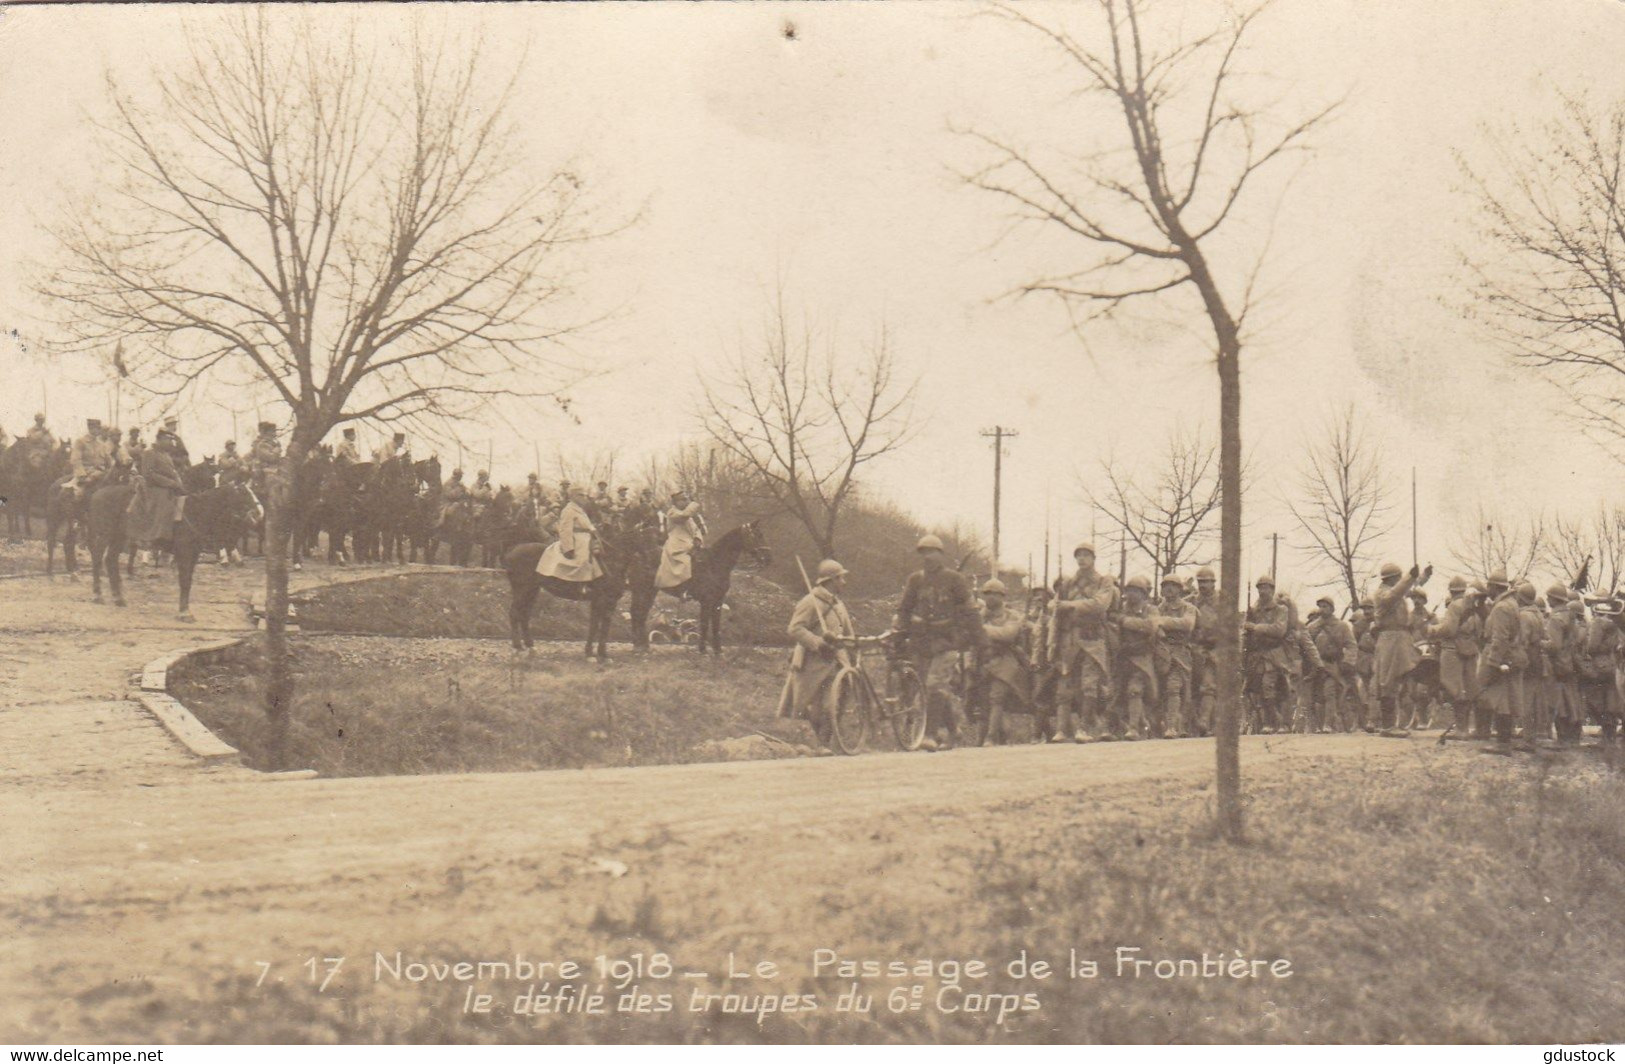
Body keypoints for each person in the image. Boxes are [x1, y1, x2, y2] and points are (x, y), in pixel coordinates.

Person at [896, 534, 984, 750]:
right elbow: (905, 608)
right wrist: (900, 632)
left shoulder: (954, 579)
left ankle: (930, 735)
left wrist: (979, 638)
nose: (928, 556)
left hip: (948, 641)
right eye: (924, 552)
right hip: (922, 642)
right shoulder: (915, 580)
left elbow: (970, 610)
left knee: (935, 684)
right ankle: (954, 730)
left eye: (932, 551)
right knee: (931, 689)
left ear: (940, 554)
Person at [780, 559, 858, 739]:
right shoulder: (809, 602)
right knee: (810, 707)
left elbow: (848, 635)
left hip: (837, 663)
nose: (844, 583)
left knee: (832, 705)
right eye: (841, 578)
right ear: (831, 580)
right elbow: (795, 628)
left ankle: (824, 745)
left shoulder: (839, 605)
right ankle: (815, 745)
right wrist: (818, 643)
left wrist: (854, 651)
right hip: (812, 664)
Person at [1049, 542, 1117, 743]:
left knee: (1090, 684)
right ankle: (1062, 730)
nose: (1082, 559)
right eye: (1079, 555)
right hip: (1069, 639)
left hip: (1093, 638)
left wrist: (1069, 605)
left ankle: (1085, 728)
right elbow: (1054, 604)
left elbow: (1099, 605)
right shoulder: (1068, 583)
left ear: (1094, 558)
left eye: (1086, 555)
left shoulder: (1104, 581)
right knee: (1065, 685)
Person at [1371, 561, 1429, 735]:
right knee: (1388, 679)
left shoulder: (1396, 591)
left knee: (1401, 679)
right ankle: (1388, 725)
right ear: (1393, 578)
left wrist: (1422, 576)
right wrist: (1409, 577)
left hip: (1401, 638)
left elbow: (1411, 588)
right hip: (1389, 638)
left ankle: (1396, 722)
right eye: (1398, 577)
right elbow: (1395, 594)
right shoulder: (1382, 594)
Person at [978, 579, 1032, 746]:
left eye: (994, 594)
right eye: (986, 594)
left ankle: (991, 736)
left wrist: (981, 630)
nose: (990, 597)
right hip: (983, 661)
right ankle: (991, 736)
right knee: (982, 701)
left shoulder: (1012, 615)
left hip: (1006, 660)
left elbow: (1008, 634)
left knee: (997, 697)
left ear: (1002, 596)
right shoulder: (979, 615)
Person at [1429, 577, 1483, 737]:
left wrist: (1431, 630)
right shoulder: (1473, 606)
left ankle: (1461, 729)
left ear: (1451, 591)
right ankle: (1469, 728)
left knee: (1454, 688)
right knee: (1469, 687)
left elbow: (1449, 629)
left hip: (1452, 650)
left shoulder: (1454, 605)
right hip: (1470, 649)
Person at [1476, 570, 1523, 749]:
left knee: (1501, 700)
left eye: (1489, 585)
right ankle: (1504, 740)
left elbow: (1500, 638)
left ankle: (1502, 743)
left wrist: (1493, 662)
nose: (1487, 589)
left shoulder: (1502, 607)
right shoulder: (1510, 604)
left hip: (1502, 656)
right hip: (1510, 655)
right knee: (1506, 699)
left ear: (1495, 587)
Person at [1243, 575, 1291, 733]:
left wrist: (1256, 627)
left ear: (1272, 590)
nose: (1262, 591)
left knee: (1269, 687)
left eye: (1266, 588)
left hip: (1274, 655)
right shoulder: (1254, 611)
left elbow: (1279, 630)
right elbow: (1247, 635)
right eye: (1260, 588)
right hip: (1257, 656)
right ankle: (1271, 722)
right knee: (1259, 689)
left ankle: (1277, 722)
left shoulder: (1281, 610)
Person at [1115, 575, 1160, 740]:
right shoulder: (1122, 609)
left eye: (1136, 591)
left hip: (1142, 657)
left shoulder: (1151, 610)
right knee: (1119, 693)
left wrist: (1126, 621)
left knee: (1135, 690)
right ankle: (1142, 723)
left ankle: (1134, 728)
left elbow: (1150, 626)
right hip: (1123, 657)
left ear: (1143, 594)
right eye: (1129, 590)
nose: (1132, 594)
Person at [129, 431, 187, 556]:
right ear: (159, 440)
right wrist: (171, 483)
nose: (170, 443)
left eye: (170, 440)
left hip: (169, 487)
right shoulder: (149, 453)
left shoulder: (166, 455)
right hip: (154, 488)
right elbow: (149, 474)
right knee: (165, 503)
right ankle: (157, 538)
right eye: (167, 440)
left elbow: (173, 472)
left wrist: (179, 484)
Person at [1154, 574, 1198, 738]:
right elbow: (1152, 625)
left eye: (1173, 585)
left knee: (1175, 688)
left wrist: (1162, 622)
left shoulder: (1188, 608)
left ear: (1180, 589)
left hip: (1181, 653)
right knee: (1158, 690)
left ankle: (1172, 726)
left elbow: (1187, 624)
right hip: (1160, 653)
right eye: (1165, 586)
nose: (1169, 589)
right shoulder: (1157, 608)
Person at [1306, 595, 1357, 732]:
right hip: (1316, 666)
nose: (1322, 609)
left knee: (1330, 693)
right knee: (1317, 696)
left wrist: (1348, 662)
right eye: (1320, 606)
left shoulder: (1341, 626)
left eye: (1325, 606)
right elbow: (1305, 646)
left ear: (1332, 609)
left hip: (1332, 665)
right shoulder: (1312, 627)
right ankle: (1318, 725)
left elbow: (1352, 645)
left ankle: (1327, 724)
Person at [533, 484, 601, 582]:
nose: (584, 498)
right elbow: (565, 530)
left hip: (587, 539)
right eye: (581, 495)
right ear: (573, 497)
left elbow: (587, 525)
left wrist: (594, 531)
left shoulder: (580, 510)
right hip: (577, 542)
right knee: (583, 561)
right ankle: (582, 584)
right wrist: (568, 548)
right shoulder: (569, 510)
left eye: (585, 495)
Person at [1581, 599, 1622, 741]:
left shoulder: (1597, 623)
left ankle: (1607, 734)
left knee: (1596, 700)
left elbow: (1591, 647)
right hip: (1611, 664)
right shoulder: (1615, 623)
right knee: (1610, 700)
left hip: (1598, 665)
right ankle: (1610, 735)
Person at [655, 489, 706, 591]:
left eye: (686, 499)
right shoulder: (672, 512)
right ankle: (682, 589)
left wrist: (698, 538)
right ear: (676, 502)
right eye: (683, 500)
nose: (686, 502)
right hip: (677, 544)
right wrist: (693, 504)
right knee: (684, 562)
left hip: (690, 543)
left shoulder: (689, 518)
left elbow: (695, 529)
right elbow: (685, 515)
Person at [1189, 567, 1220, 736]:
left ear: (1213, 583)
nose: (1204, 585)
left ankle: (1205, 720)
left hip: (1216, 650)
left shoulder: (1222, 601)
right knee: (1195, 688)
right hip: (1195, 649)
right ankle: (1201, 725)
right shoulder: (1192, 601)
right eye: (1201, 582)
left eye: (1207, 582)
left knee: (1209, 686)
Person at [68, 417, 113, 492]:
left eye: (99, 428)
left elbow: (109, 460)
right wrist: (82, 475)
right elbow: (76, 460)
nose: (98, 430)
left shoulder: (101, 445)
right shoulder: (80, 442)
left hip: (101, 473)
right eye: (96, 428)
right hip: (86, 473)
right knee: (78, 495)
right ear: (90, 428)